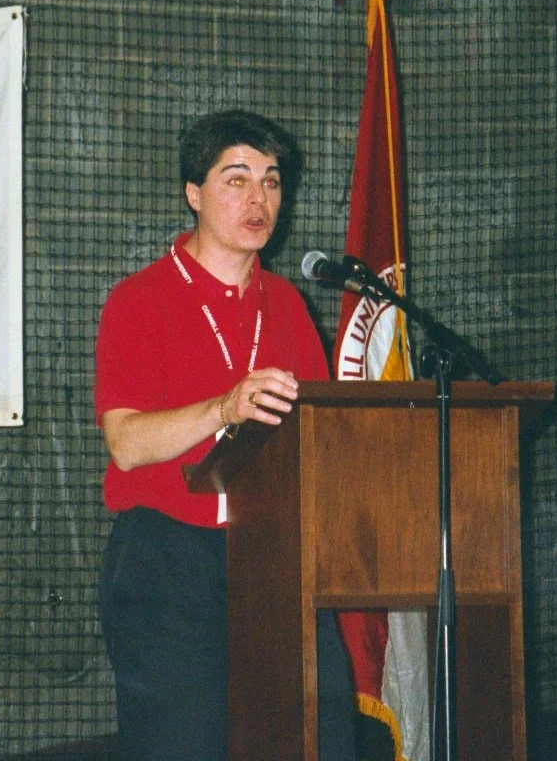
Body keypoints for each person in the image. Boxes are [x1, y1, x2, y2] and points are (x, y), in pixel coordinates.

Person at [95, 109, 357, 760]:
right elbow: (126, 442)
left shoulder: (289, 304)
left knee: (319, 739)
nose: (258, 198)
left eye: (271, 181)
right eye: (236, 179)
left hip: (272, 554)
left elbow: (318, 438)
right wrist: (223, 408)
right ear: (193, 193)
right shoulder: (138, 300)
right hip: (169, 558)